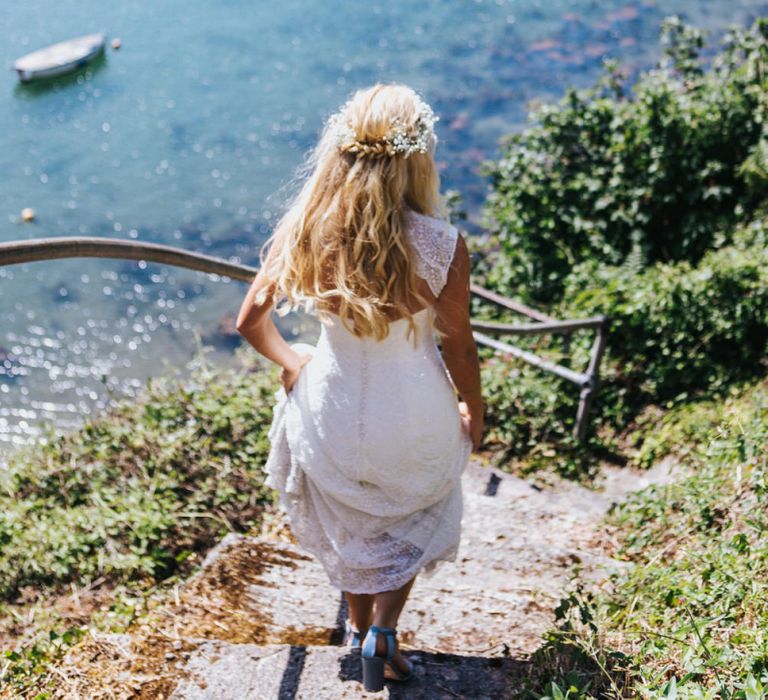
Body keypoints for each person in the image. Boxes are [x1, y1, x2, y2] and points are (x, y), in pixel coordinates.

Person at [235, 82, 484, 692]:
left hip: (333, 406)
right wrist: (473, 409)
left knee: (354, 520)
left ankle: (354, 625)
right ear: (417, 157)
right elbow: (459, 343)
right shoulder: (442, 246)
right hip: (416, 411)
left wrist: (293, 365)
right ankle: (384, 631)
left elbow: (250, 322)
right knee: (410, 513)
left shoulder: (307, 226)